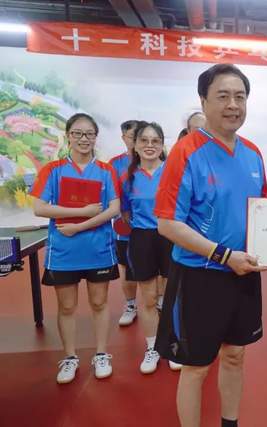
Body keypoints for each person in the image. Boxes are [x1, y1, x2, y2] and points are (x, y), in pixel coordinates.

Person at [154, 64, 267, 427]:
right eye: (223, 96)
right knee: (196, 367)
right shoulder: (185, 152)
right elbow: (167, 223)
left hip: (244, 273)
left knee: (235, 355)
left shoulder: (253, 153)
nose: (233, 104)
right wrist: (223, 255)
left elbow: (261, 209)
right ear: (203, 101)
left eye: (240, 96)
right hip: (199, 276)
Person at [31, 113, 121, 384]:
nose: (84, 139)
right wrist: (81, 212)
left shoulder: (106, 171)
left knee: (99, 302)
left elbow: (114, 209)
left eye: (90, 134)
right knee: (67, 306)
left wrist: (79, 225)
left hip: (99, 249)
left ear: (95, 138)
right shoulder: (53, 170)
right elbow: (39, 208)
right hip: (64, 251)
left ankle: (101, 354)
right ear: (68, 136)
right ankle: (70, 357)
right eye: (78, 133)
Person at [120, 121, 180, 373]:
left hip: (170, 236)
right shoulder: (128, 178)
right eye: (144, 140)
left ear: (162, 145)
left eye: (155, 141)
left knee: (172, 297)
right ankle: (153, 347)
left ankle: (173, 345)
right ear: (135, 145)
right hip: (142, 239)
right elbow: (125, 214)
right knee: (148, 298)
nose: (149, 145)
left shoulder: (173, 173)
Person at [109, 120, 139, 326]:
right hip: (124, 227)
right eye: (131, 137)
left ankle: (159, 302)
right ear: (123, 138)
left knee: (157, 269)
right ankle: (130, 305)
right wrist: (122, 211)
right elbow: (110, 194)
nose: (135, 140)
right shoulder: (114, 164)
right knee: (127, 267)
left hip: (151, 225)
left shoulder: (153, 160)